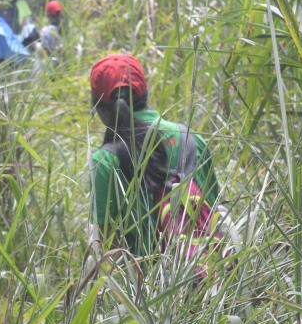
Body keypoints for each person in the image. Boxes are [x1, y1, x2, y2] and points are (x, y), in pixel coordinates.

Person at [89, 54, 219, 257]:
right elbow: (214, 208)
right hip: (210, 271)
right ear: (145, 95)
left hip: (146, 282)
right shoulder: (190, 139)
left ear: (98, 107)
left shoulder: (104, 161)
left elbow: (106, 248)